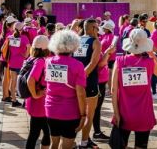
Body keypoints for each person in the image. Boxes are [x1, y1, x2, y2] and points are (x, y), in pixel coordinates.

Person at [111, 28, 157, 148]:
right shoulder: (149, 62)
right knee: (141, 146)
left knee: (120, 145)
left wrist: (116, 113)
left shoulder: (119, 61)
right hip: (144, 113)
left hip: (123, 113)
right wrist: (153, 56)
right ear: (145, 45)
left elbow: (113, 90)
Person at [45, 30, 87, 149]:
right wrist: (83, 115)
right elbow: (80, 93)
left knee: (53, 144)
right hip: (70, 112)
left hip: (51, 109)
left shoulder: (48, 62)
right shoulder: (78, 65)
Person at [73, 18, 101, 149]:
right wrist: (82, 78)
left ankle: (70, 139)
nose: (98, 30)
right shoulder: (95, 41)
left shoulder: (76, 40)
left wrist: (77, 78)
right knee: (89, 115)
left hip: (75, 82)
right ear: (91, 28)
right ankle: (84, 143)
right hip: (88, 82)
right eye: (96, 27)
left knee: (75, 113)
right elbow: (93, 63)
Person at [25, 35, 52, 149]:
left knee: (46, 133)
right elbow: (30, 80)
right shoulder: (40, 61)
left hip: (35, 103)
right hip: (38, 104)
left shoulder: (31, 58)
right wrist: (36, 95)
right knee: (34, 134)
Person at [93, 21, 117, 141]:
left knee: (95, 108)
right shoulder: (98, 43)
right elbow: (100, 63)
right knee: (95, 108)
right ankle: (95, 133)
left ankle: (95, 132)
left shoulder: (100, 41)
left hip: (99, 78)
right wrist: (108, 53)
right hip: (98, 80)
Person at [2, 21, 30, 106]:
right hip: (21, 63)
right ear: (22, 29)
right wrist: (25, 56)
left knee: (13, 81)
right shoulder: (24, 38)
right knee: (23, 82)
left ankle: (14, 100)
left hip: (12, 62)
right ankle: (25, 101)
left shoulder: (9, 37)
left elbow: (3, 48)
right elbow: (29, 48)